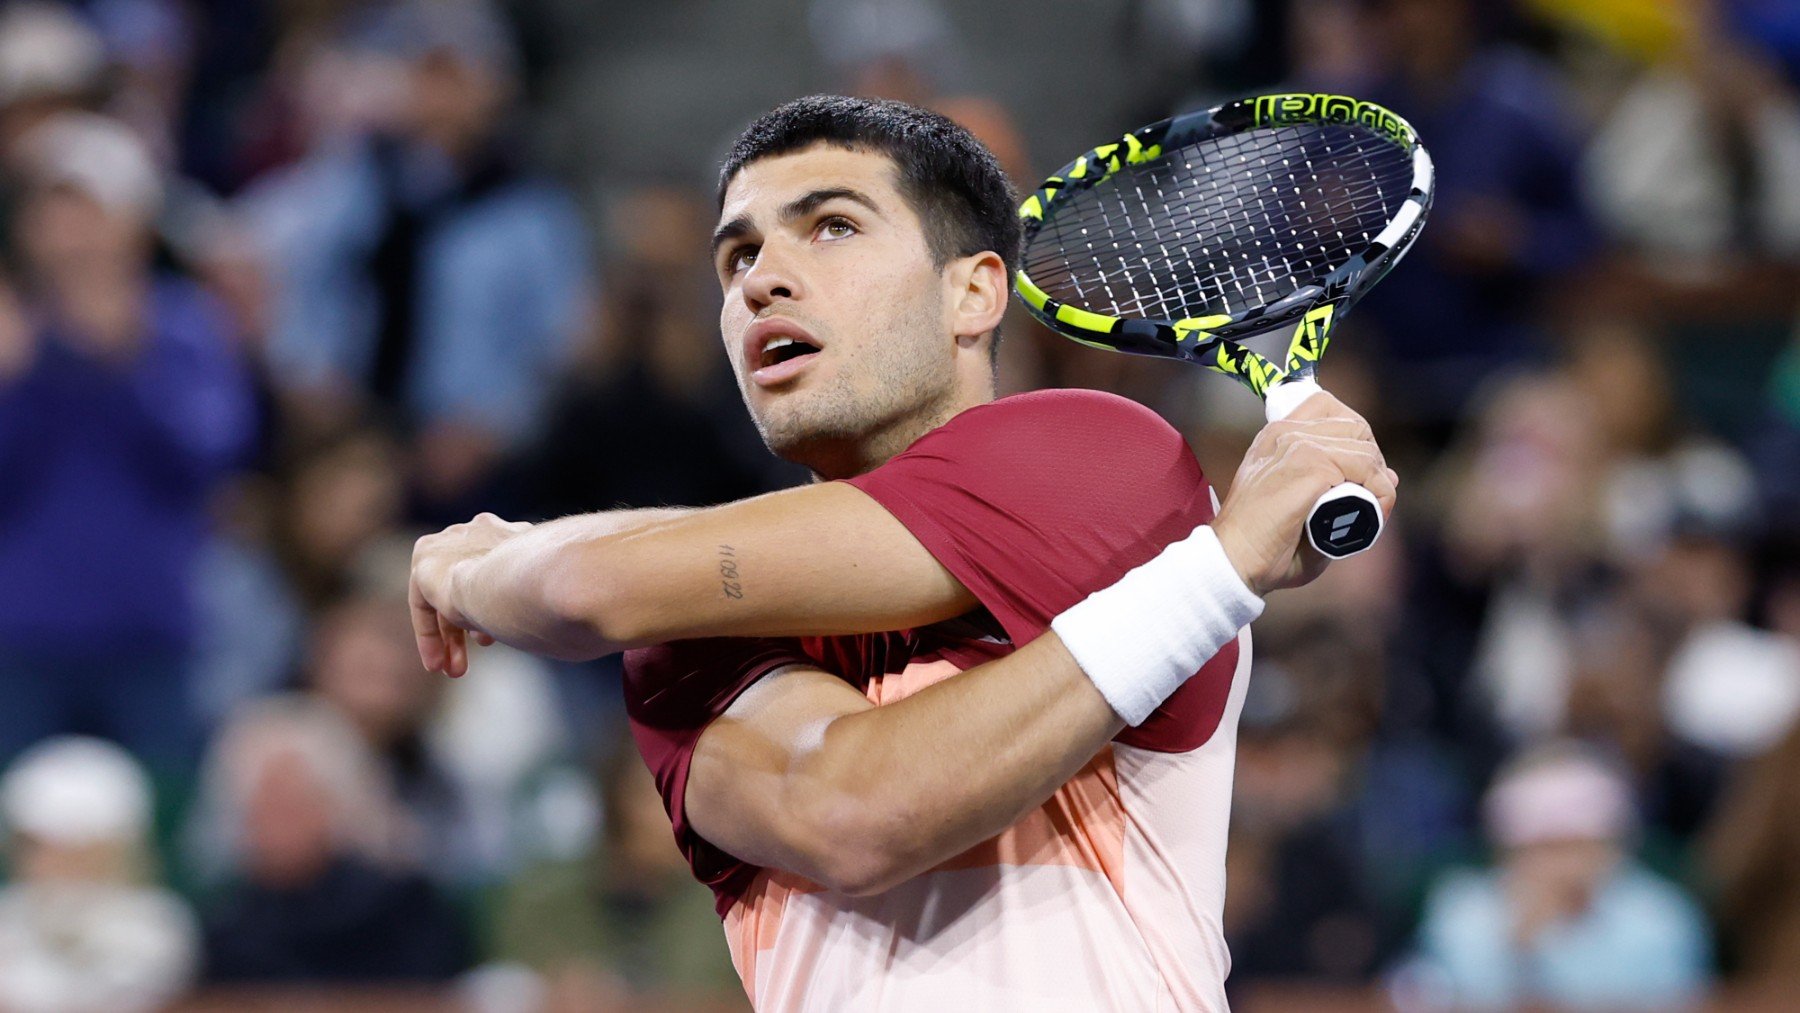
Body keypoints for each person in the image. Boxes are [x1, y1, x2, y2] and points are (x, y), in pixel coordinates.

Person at [408, 95, 1396, 1010]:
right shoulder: (681, 633)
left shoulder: (1103, 457)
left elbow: (594, 586)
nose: (765, 278)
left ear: (974, 293)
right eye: (736, 256)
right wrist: (1216, 571)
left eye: (831, 226)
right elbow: (847, 806)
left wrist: (472, 566)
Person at [1397, 741, 1711, 1010]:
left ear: (1613, 846)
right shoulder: (1462, 912)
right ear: (1508, 851)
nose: (1561, 864)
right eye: (1544, 847)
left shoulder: (1660, 917)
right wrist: (1519, 948)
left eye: (1575, 846)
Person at [0, 737, 200, 1012]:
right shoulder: (7, 917)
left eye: (82, 852)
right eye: (42, 848)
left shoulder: (160, 923)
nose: (59, 865)